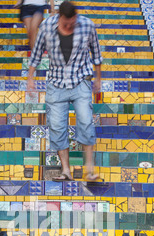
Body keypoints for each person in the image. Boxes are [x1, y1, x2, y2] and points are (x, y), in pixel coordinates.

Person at [27, 0, 102, 181]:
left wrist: (98, 78)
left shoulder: (87, 25)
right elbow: (36, 54)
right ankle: (65, 170)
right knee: (57, 126)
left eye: (72, 23)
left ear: (76, 17)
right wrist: (30, 77)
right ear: (59, 17)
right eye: (65, 24)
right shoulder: (46, 27)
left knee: (85, 120)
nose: (69, 27)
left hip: (81, 80)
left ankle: (90, 169)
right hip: (56, 83)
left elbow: (96, 53)